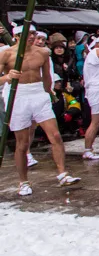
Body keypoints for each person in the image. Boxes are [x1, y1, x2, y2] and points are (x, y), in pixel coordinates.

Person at [0, 24, 81, 196]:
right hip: (18, 95)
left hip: (39, 93)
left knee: (56, 135)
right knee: (22, 143)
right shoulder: (6, 53)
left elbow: (47, 76)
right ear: (16, 37)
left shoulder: (43, 53)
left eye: (33, 33)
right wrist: (7, 77)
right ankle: (23, 181)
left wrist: (50, 94)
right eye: (26, 34)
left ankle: (62, 173)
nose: (31, 36)